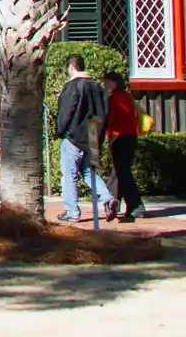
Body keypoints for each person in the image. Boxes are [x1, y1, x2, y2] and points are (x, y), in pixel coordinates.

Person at [52, 53, 114, 222]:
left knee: (69, 174)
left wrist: (59, 131)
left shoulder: (72, 87)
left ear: (71, 68)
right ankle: (108, 198)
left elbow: (67, 112)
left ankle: (72, 212)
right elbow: (105, 112)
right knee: (89, 172)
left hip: (75, 135)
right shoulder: (98, 87)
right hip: (93, 134)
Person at [101, 73, 145, 222]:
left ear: (114, 83)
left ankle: (128, 204)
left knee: (121, 172)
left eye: (106, 82)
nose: (104, 85)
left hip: (118, 136)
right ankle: (116, 203)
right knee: (120, 171)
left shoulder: (114, 98)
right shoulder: (127, 96)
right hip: (130, 136)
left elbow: (110, 119)